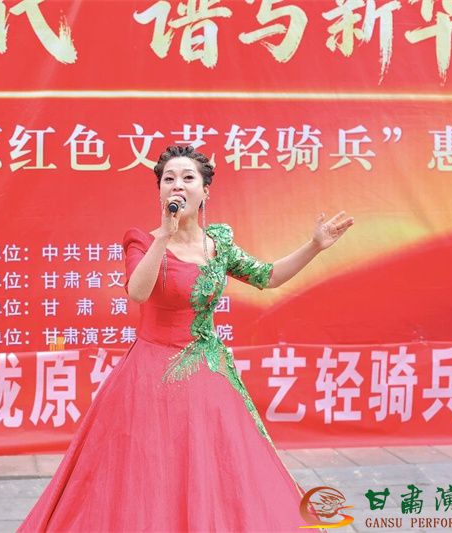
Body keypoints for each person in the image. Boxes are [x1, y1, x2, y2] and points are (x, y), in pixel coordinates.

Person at [18, 145, 354, 532]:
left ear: (205, 191)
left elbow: (268, 276)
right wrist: (164, 235)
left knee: (219, 470)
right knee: (147, 475)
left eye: (188, 178)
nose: (177, 185)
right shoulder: (141, 242)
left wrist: (314, 246)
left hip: (208, 377)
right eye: (169, 179)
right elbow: (137, 292)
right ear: (160, 191)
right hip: (149, 378)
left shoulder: (218, 244)